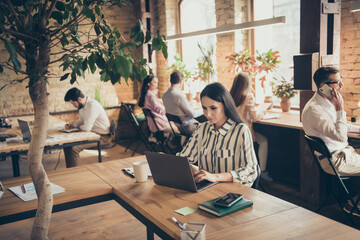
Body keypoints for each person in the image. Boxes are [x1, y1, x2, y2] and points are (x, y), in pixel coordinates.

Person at [302, 66, 360, 215]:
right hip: (335, 161)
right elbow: (340, 136)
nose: (341, 85)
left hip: (342, 153)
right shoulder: (315, 110)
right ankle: (354, 205)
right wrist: (340, 108)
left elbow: (341, 126)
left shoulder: (326, 102)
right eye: (336, 82)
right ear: (323, 86)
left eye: (341, 80)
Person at [178, 82, 260, 187]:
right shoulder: (201, 129)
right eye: (204, 108)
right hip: (206, 189)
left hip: (231, 193)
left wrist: (216, 177)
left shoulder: (241, 131)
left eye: (213, 108)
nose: (207, 114)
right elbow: (184, 159)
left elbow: (251, 171)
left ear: (225, 106)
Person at [229, 73, 272, 181]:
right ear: (247, 84)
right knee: (263, 141)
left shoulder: (229, 96)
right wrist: (264, 110)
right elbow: (255, 117)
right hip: (245, 134)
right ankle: (262, 171)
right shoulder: (248, 97)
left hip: (232, 133)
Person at [63, 87, 111, 168]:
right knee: (66, 145)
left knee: (74, 148)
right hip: (92, 134)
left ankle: (74, 172)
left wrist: (79, 127)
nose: (74, 106)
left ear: (79, 99)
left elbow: (86, 128)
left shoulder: (92, 105)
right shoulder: (82, 106)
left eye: (74, 103)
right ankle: (70, 169)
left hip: (103, 138)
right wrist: (72, 125)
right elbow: (81, 121)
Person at [162, 70, 203, 136]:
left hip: (179, 127)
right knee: (208, 125)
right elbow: (193, 114)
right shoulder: (179, 96)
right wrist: (203, 109)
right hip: (188, 127)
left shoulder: (164, 95)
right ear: (181, 82)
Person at [138, 75, 175, 144]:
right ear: (149, 83)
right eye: (155, 82)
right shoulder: (151, 95)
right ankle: (170, 142)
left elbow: (156, 107)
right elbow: (159, 109)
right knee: (179, 127)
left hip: (153, 123)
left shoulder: (147, 93)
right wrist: (166, 107)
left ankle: (166, 140)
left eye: (157, 83)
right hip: (158, 123)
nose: (157, 85)